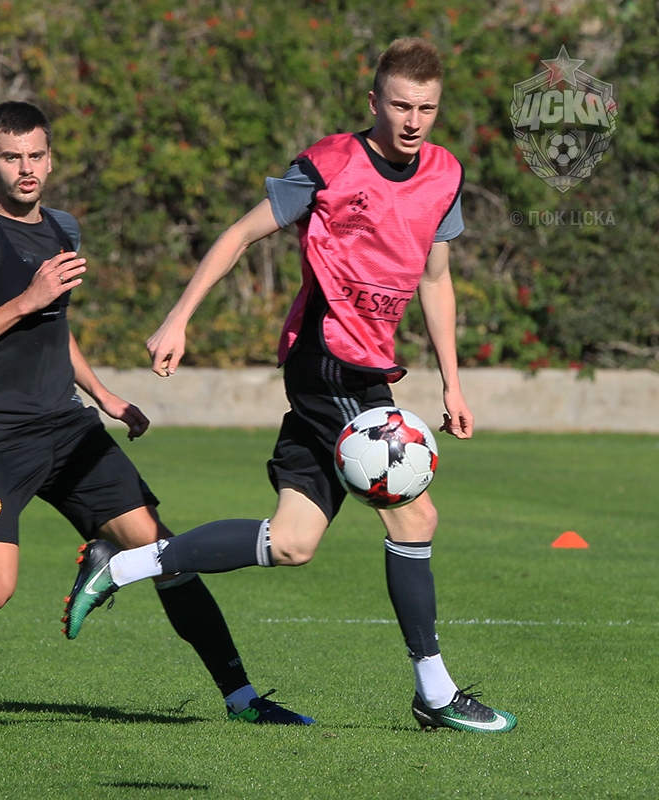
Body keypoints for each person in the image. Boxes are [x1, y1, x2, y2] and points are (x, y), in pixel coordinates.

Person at [64, 38, 518, 734]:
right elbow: (238, 235)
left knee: (292, 542)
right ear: (374, 101)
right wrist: (178, 317)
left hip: (370, 367)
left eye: (426, 108)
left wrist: (453, 385)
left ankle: (124, 563)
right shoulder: (329, 164)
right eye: (400, 105)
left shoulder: (445, 174)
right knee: (415, 516)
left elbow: (436, 279)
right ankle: (434, 693)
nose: (413, 120)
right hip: (327, 359)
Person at [0, 100, 313, 727]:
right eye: (10, 157)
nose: (26, 168)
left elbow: (55, 326)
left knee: (165, 555)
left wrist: (103, 395)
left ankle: (242, 698)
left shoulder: (63, 228)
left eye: (36, 155)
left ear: (51, 160)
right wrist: (27, 299)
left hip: (68, 427)